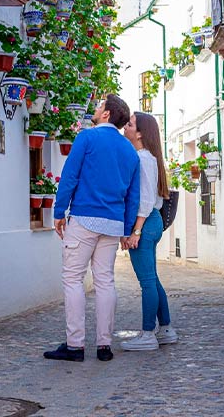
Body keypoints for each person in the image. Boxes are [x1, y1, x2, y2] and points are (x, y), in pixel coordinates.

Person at [44, 94, 141, 363]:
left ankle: (75, 345)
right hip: (112, 223)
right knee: (105, 281)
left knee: (73, 278)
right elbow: (133, 195)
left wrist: (59, 211)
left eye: (100, 106)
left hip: (85, 218)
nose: (96, 110)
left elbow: (70, 177)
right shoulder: (129, 151)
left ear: (107, 114)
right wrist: (126, 228)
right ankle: (104, 345)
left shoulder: (86, 138)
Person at [120, 112, 178, 350]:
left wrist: (136, 231)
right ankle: (165, 329)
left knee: (146, 282)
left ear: (141, 133)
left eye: (130, 124)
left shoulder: (143, 160)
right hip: (152, 221)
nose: (126, 126)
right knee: (152, 279)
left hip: (144, 221)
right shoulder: (147, 158)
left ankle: (147, 334)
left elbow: (143, 199)